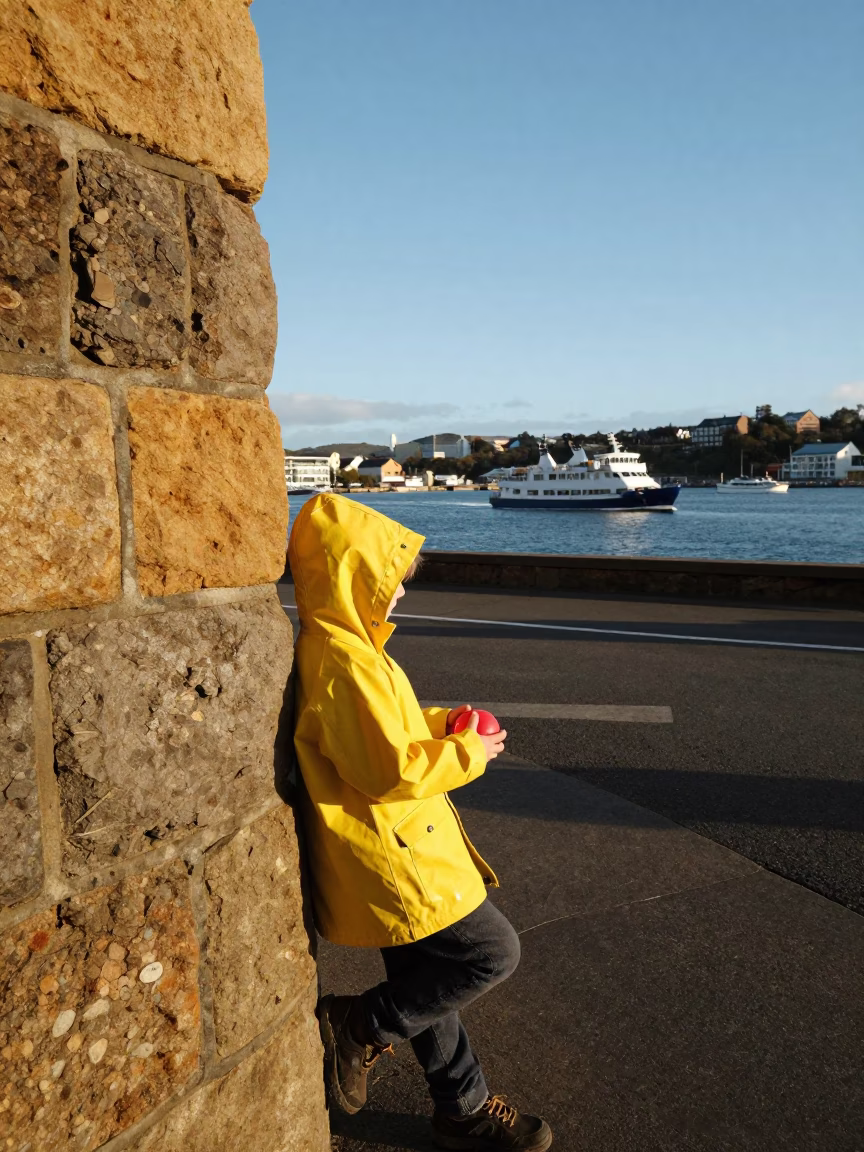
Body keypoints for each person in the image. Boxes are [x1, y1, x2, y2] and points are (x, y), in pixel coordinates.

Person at [289, 493, 552, 1151]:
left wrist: (442, 723)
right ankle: (362, 1024)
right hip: (397, 854)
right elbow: (386, 770)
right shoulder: (344, 661)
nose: (400, 594)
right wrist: (470, 751)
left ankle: (460, 1108)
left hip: (397, 844)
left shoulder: (350, 647)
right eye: (392, 582)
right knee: (493, 952)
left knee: (425, 980)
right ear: (357, 577)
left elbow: (384, 736)